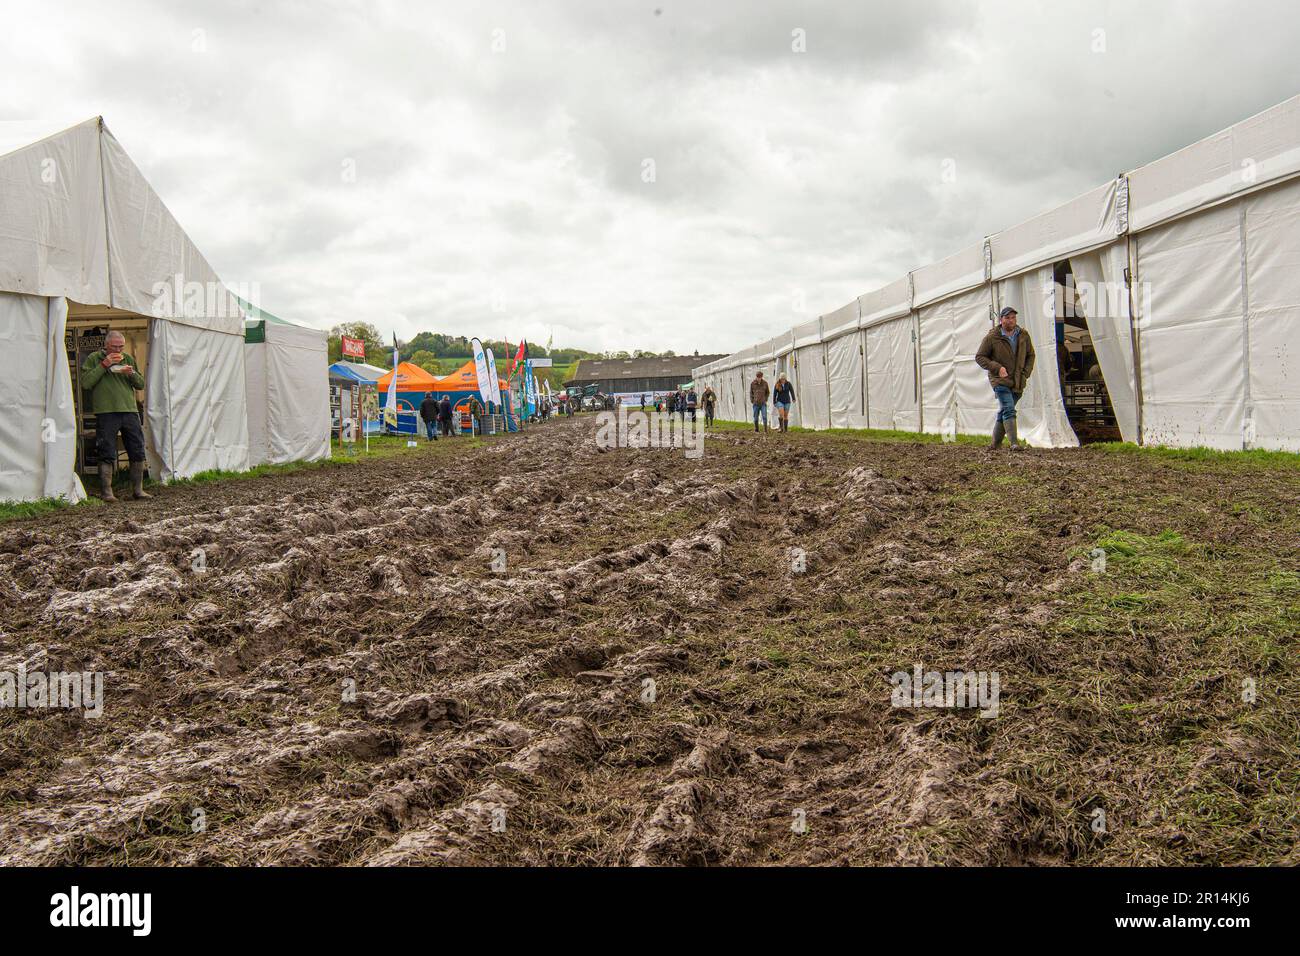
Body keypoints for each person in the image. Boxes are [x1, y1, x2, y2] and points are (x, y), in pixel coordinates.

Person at [80, 330, 149, 501]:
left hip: (130, 410)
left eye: (121, 347)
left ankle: (138, 490)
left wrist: (131, 373)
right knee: (107, 450)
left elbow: (140, 384)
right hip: (106, 411)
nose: (118, 350)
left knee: (137, 449)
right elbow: (86, 383)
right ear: (106, 345)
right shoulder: (94, 358)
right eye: (114, 347)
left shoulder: (128, 359)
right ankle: (107, 492)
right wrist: (104, 364)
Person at [976, 306, 1036, 450]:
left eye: (1013, 317)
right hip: (1000, 380)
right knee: (1009, 409)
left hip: (1018, 381)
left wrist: (1025, 373)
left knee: (1004, 411)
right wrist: (997, 368)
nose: (1011, 320)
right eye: (1007, 318)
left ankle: (995, 444)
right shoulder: (992, 337)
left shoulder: (1023, 335)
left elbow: (1031, 355)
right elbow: (980, 357)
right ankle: (1014, 443)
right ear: (1001, 320)